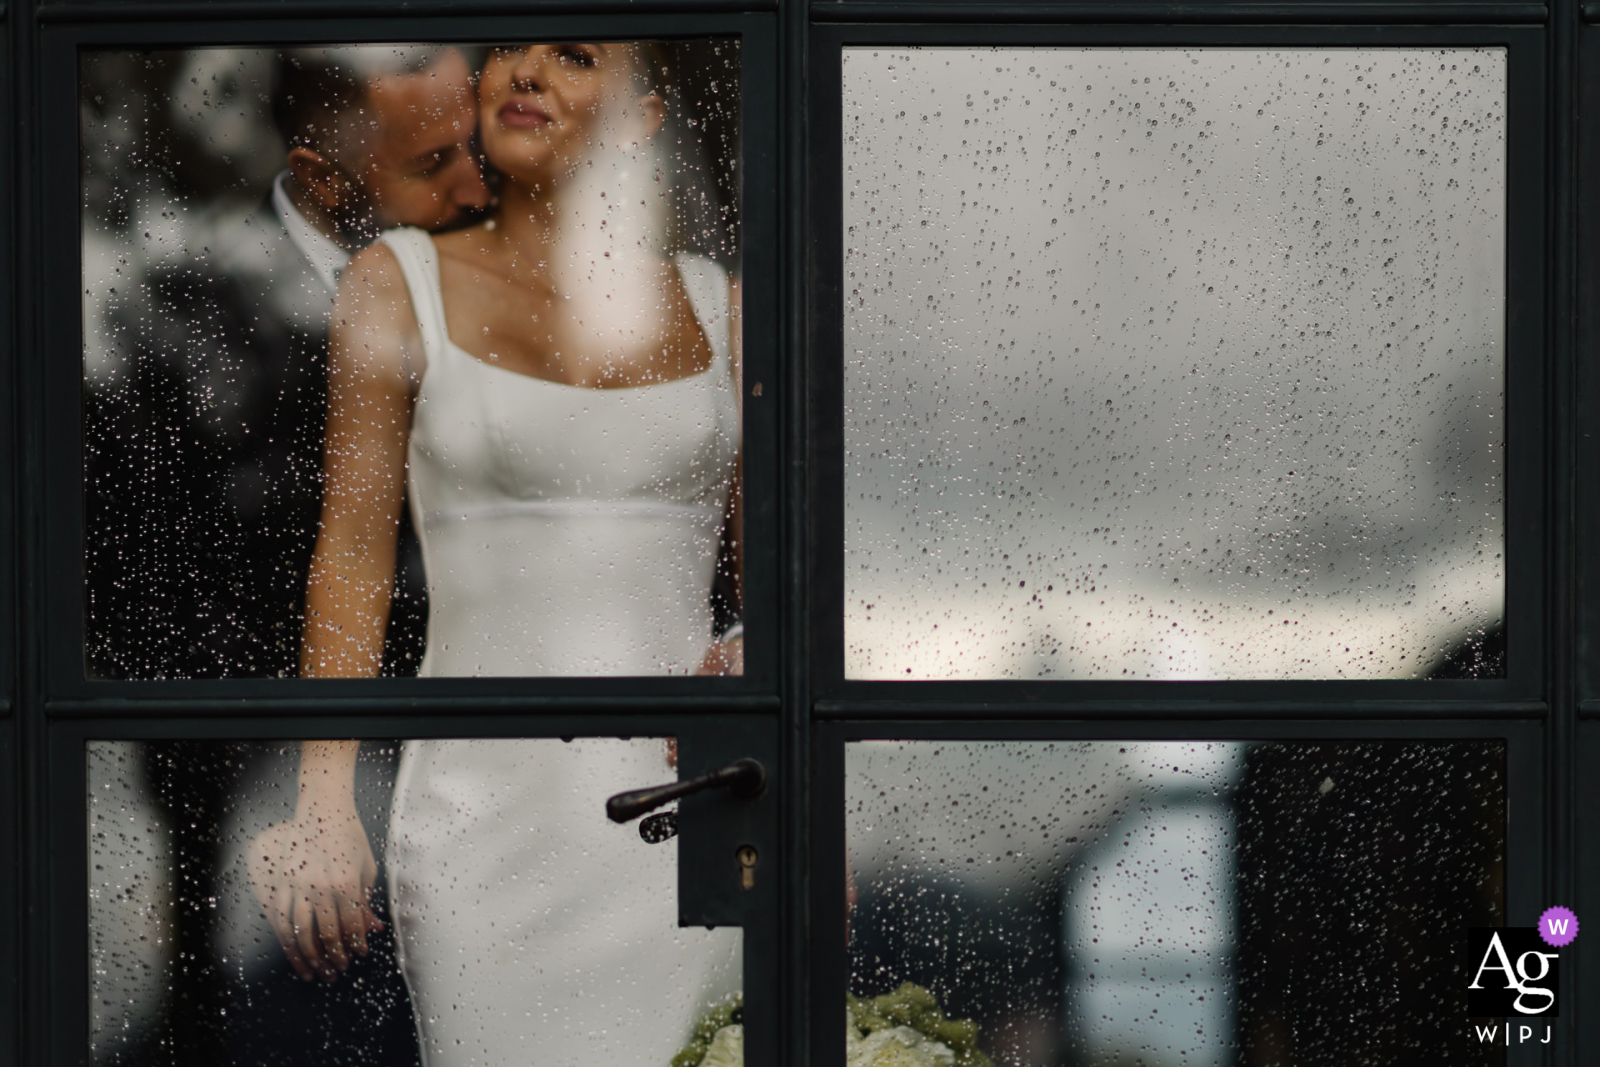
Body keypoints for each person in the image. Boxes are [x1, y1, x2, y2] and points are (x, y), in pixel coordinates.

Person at [248, 41, 745, 1066]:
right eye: (509, 53)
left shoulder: (722, 304)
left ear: (641, 120)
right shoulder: (394, 283)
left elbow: (788, 564)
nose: (526, 74)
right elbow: (349, 560)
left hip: (698, 808)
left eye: (571, 57)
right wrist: (323, 800)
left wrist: (756, 646)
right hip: (487, 821)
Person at [85, 44, 490, 679]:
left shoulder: (488, 277)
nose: (474, 190)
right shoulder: (207, 325)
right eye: (432, 164)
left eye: (476, 150)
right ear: (326, 180)